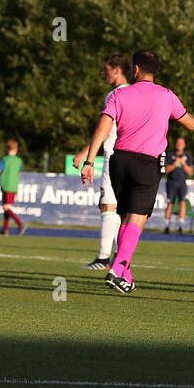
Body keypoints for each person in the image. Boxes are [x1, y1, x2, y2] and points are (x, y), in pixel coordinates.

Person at [80, 50, 194, 294]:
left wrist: (89, 161)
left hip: (119, 161)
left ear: (135, 70)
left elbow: (103, 127)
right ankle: (117, 267)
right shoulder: (166, 95)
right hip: (147, 163)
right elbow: (191, 124)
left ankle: (126, 275)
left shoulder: (119, 94)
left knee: (124, 217)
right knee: (137, 219)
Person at [73, 53, 132, 268]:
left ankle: (104, 258)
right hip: (134, 156)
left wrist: (86, 156)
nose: (103, 73)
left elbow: (105, 129)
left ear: (117, 70)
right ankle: (121, 259)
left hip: (114, 155)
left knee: (109, 206)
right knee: (122, 210)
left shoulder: (114, 95)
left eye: (106, 69)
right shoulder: (135, 93)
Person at [0, 139, 27, 235]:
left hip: (6, 185)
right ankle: (5, 229)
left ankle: (20, 224)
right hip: (14, 186)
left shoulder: (5, 159)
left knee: (6, 207)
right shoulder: (19, 160)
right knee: (6, 208)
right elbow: (20, 172)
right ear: (16, 149)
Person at [162, 136, 194, 233]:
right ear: (176, 144)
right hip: (171, 182)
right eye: (178, 143)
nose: (179, 145)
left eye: (181, 143)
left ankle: (180, 226)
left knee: (182, 202)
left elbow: (190, 172)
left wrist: (183, 164)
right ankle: (167, 226)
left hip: (182, 182)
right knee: (169, 203)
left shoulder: (187, 156)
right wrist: (175, 164)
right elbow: (166, 170)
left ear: (184, 145)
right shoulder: (170, 155)